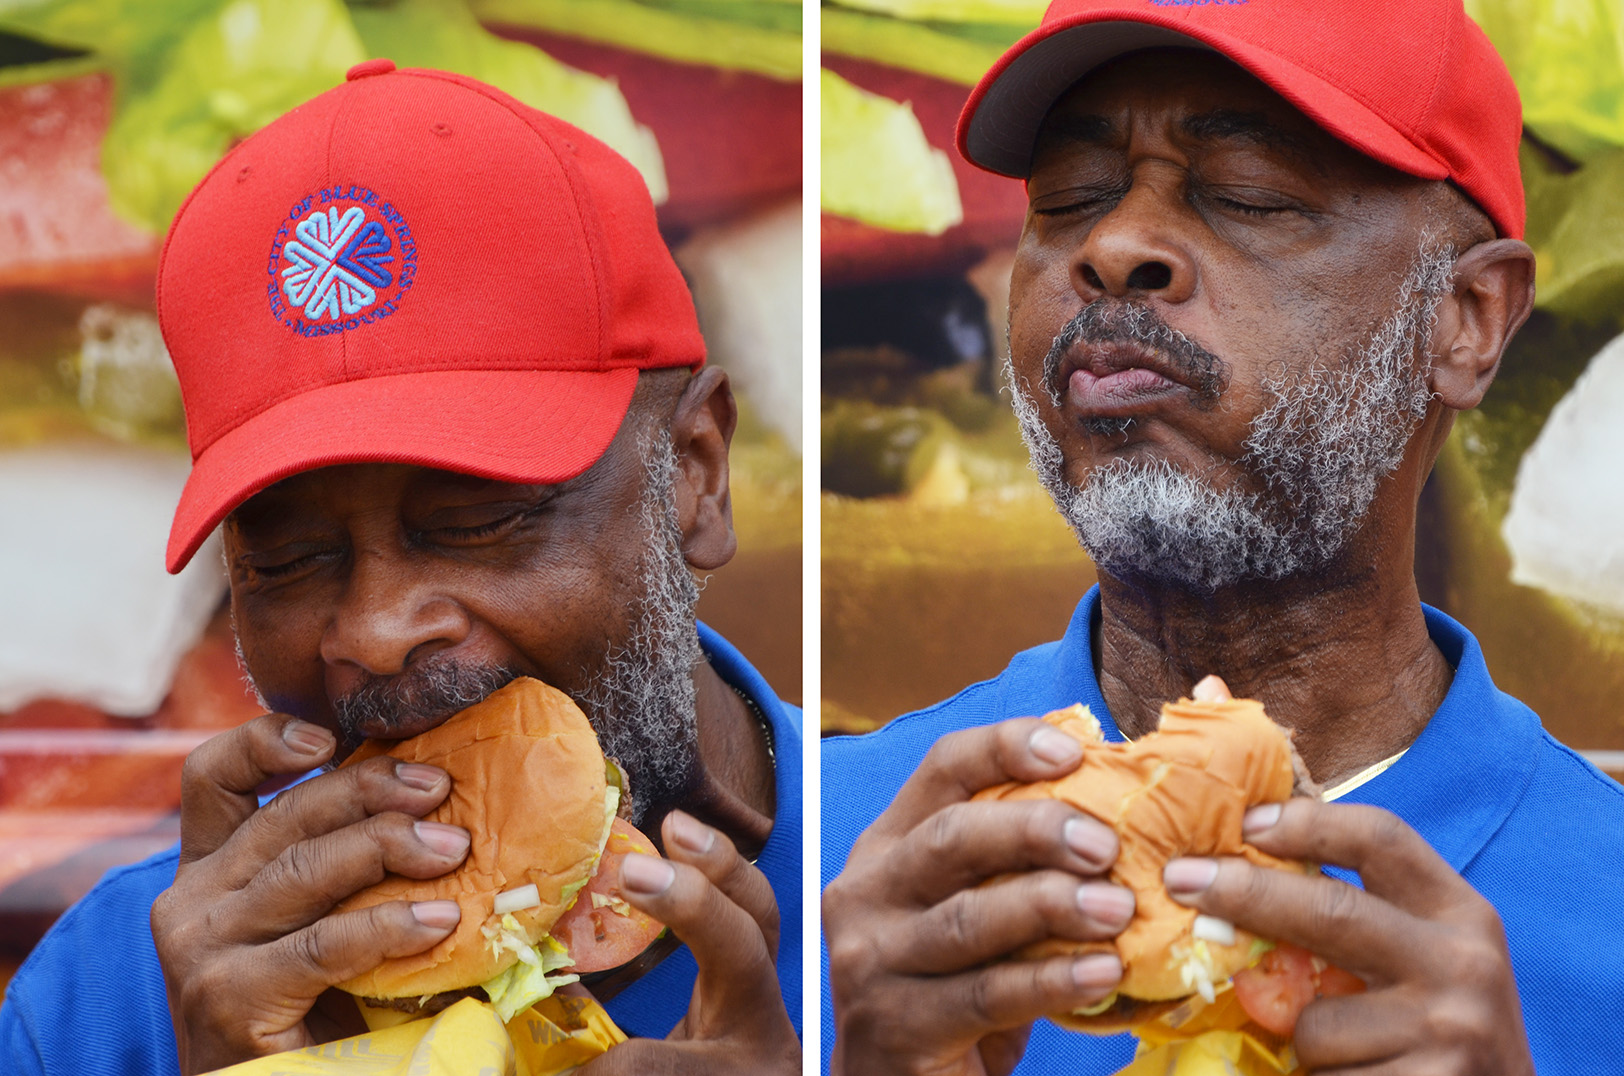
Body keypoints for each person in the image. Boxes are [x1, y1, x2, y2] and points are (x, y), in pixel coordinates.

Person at [821, 1, 1624, 1074]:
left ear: (1469, 317)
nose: (1111, 248)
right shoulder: (839, 871)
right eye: (1066, 200)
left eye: (1245, 195)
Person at [0, 61, 801, 1076]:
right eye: (287, 556)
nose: (373, 627)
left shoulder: (949, 883)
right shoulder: (103, 994)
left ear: (696, 475)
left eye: (479, 519)